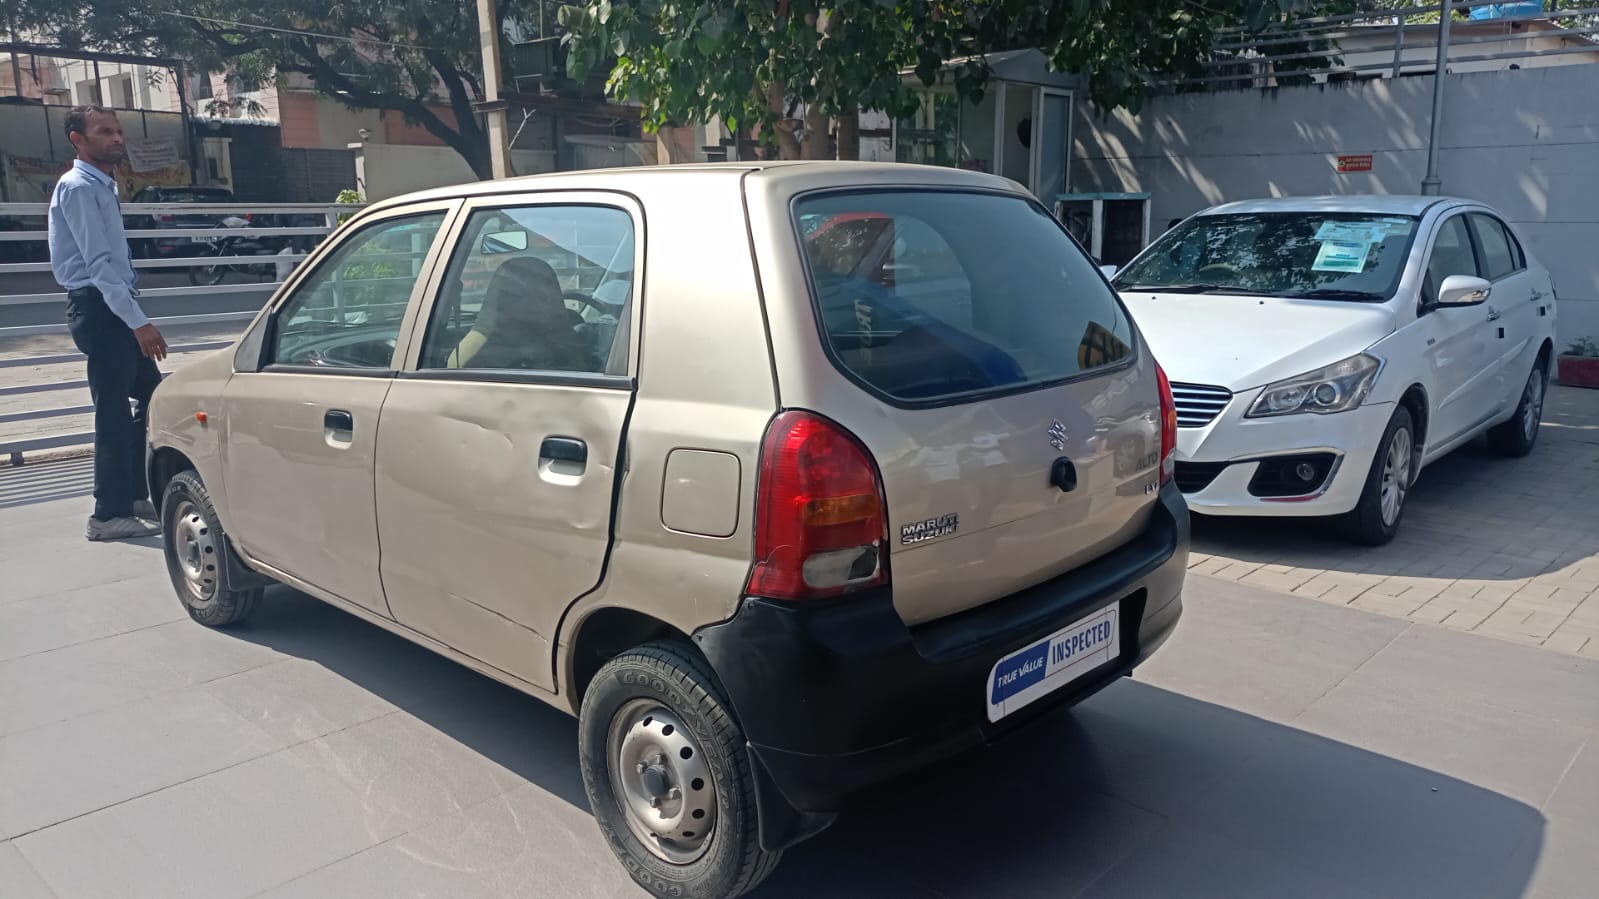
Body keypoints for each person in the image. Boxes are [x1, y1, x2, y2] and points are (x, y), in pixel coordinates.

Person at [49, 106, 168, 541]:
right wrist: (138, 323)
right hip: (101, 310)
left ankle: (134, 494)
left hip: (112, 307)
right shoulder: (79, 188)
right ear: (78, 140)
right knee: (113, 413)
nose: (116, 138)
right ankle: (107, 514)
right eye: (104, 132)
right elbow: (98, 264)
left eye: (118, 131)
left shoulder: (102, 185)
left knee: (154, 396)